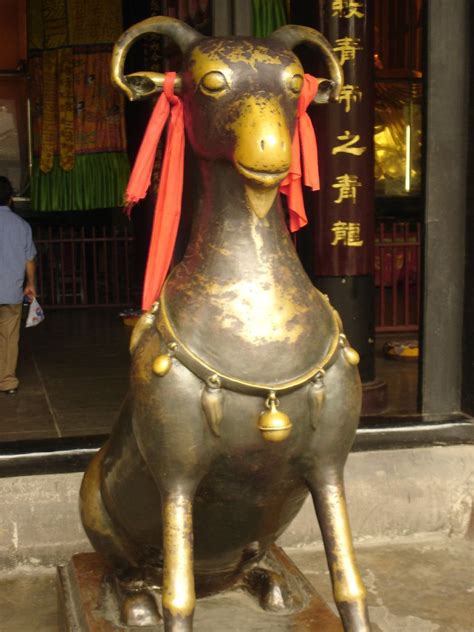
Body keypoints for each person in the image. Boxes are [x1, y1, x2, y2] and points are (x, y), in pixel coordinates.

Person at [0, 176, 37, 396]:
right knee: (9, 337)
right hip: (10, 291)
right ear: (11, 199)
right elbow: (29, 259)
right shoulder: (21, 225)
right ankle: (7, 381)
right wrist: (30, 284)